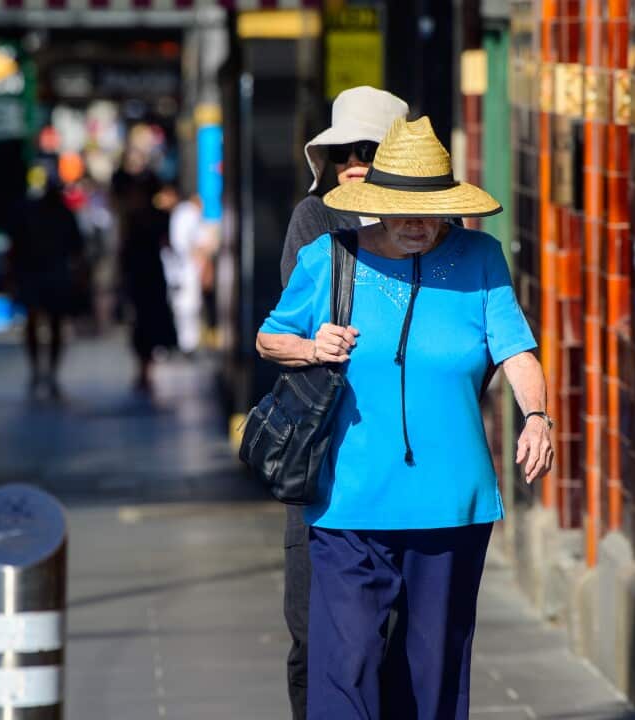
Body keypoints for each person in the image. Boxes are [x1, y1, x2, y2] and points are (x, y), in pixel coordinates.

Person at [256, 117, 554, 718]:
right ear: (378, 207)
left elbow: (516, 348)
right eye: (404, 212)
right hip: (347, 501)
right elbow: (270, 338)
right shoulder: (328, 259)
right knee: (345, 669)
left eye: (432, 212)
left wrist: (538, 416)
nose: (419, 225)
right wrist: (314, 346)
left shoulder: (481, 259)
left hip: (451, 504)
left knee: (432, 672)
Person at [276, 85, 410, 720]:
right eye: (342, 151)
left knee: (393, 641)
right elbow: (293, 321)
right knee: (313, 635)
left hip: (404, 458)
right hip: (327, 450)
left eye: (370, 148)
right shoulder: (316, 220)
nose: (354, 160)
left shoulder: (432, 230)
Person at [8, 177, 86, 398]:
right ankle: (41, 370)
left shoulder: (61, 215)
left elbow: (77, 249)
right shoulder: (41, 214)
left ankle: (46, 371)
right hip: (39, 273)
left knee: (51, 322)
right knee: (40, 321)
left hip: (49, 274)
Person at [115, 166, 176, 391]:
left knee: (144, 322)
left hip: (144, 274)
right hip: (145, 274)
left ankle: (145, 368)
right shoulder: (151, 217)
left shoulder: (136, 218)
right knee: (145, 321)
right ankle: (144, 368)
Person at [163, 190, 205, 355]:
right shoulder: (186, 213)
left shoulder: (183, 213)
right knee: (186, 306)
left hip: (182, 267)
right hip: (183, 268)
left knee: (184, 306)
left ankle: (186, 342)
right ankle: (186, 342)